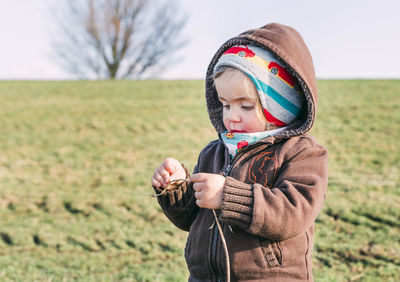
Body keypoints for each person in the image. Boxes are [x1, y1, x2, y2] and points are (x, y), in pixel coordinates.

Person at [151, 23, 328, 281]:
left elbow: (293, 213)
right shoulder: (214, 152)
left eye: (245, 106)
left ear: (280, 106)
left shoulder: (301, 153)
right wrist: (176, 188)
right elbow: (191, 220)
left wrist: (227, 196)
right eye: (225, 105)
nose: (231, 117)